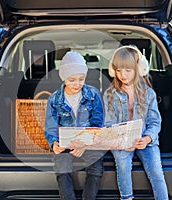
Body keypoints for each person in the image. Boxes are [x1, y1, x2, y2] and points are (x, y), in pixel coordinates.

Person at [103, 45, 168, 200]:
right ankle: (127, 197)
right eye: (118, 70)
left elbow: (154, 121)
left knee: (156, 171)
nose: (122, 75)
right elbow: (108, 123)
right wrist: (122, 140)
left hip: (145, 139)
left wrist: (147, 138)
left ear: (138, 69)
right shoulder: (110, 94)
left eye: (128, 70)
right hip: (120, 140)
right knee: (123, 163)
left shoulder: (148, 93)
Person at [44, 51, 105, 200]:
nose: (77, 84)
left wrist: (84, 144)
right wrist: (54, 144)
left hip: (89, 141)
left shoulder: (93, 94)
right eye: (72, 80)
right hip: (65, 143)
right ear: (64, 77)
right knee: (61, 167)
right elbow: (51, 126)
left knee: (96, 166)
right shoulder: (54, 99)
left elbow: (98, 123)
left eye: (81, 79)